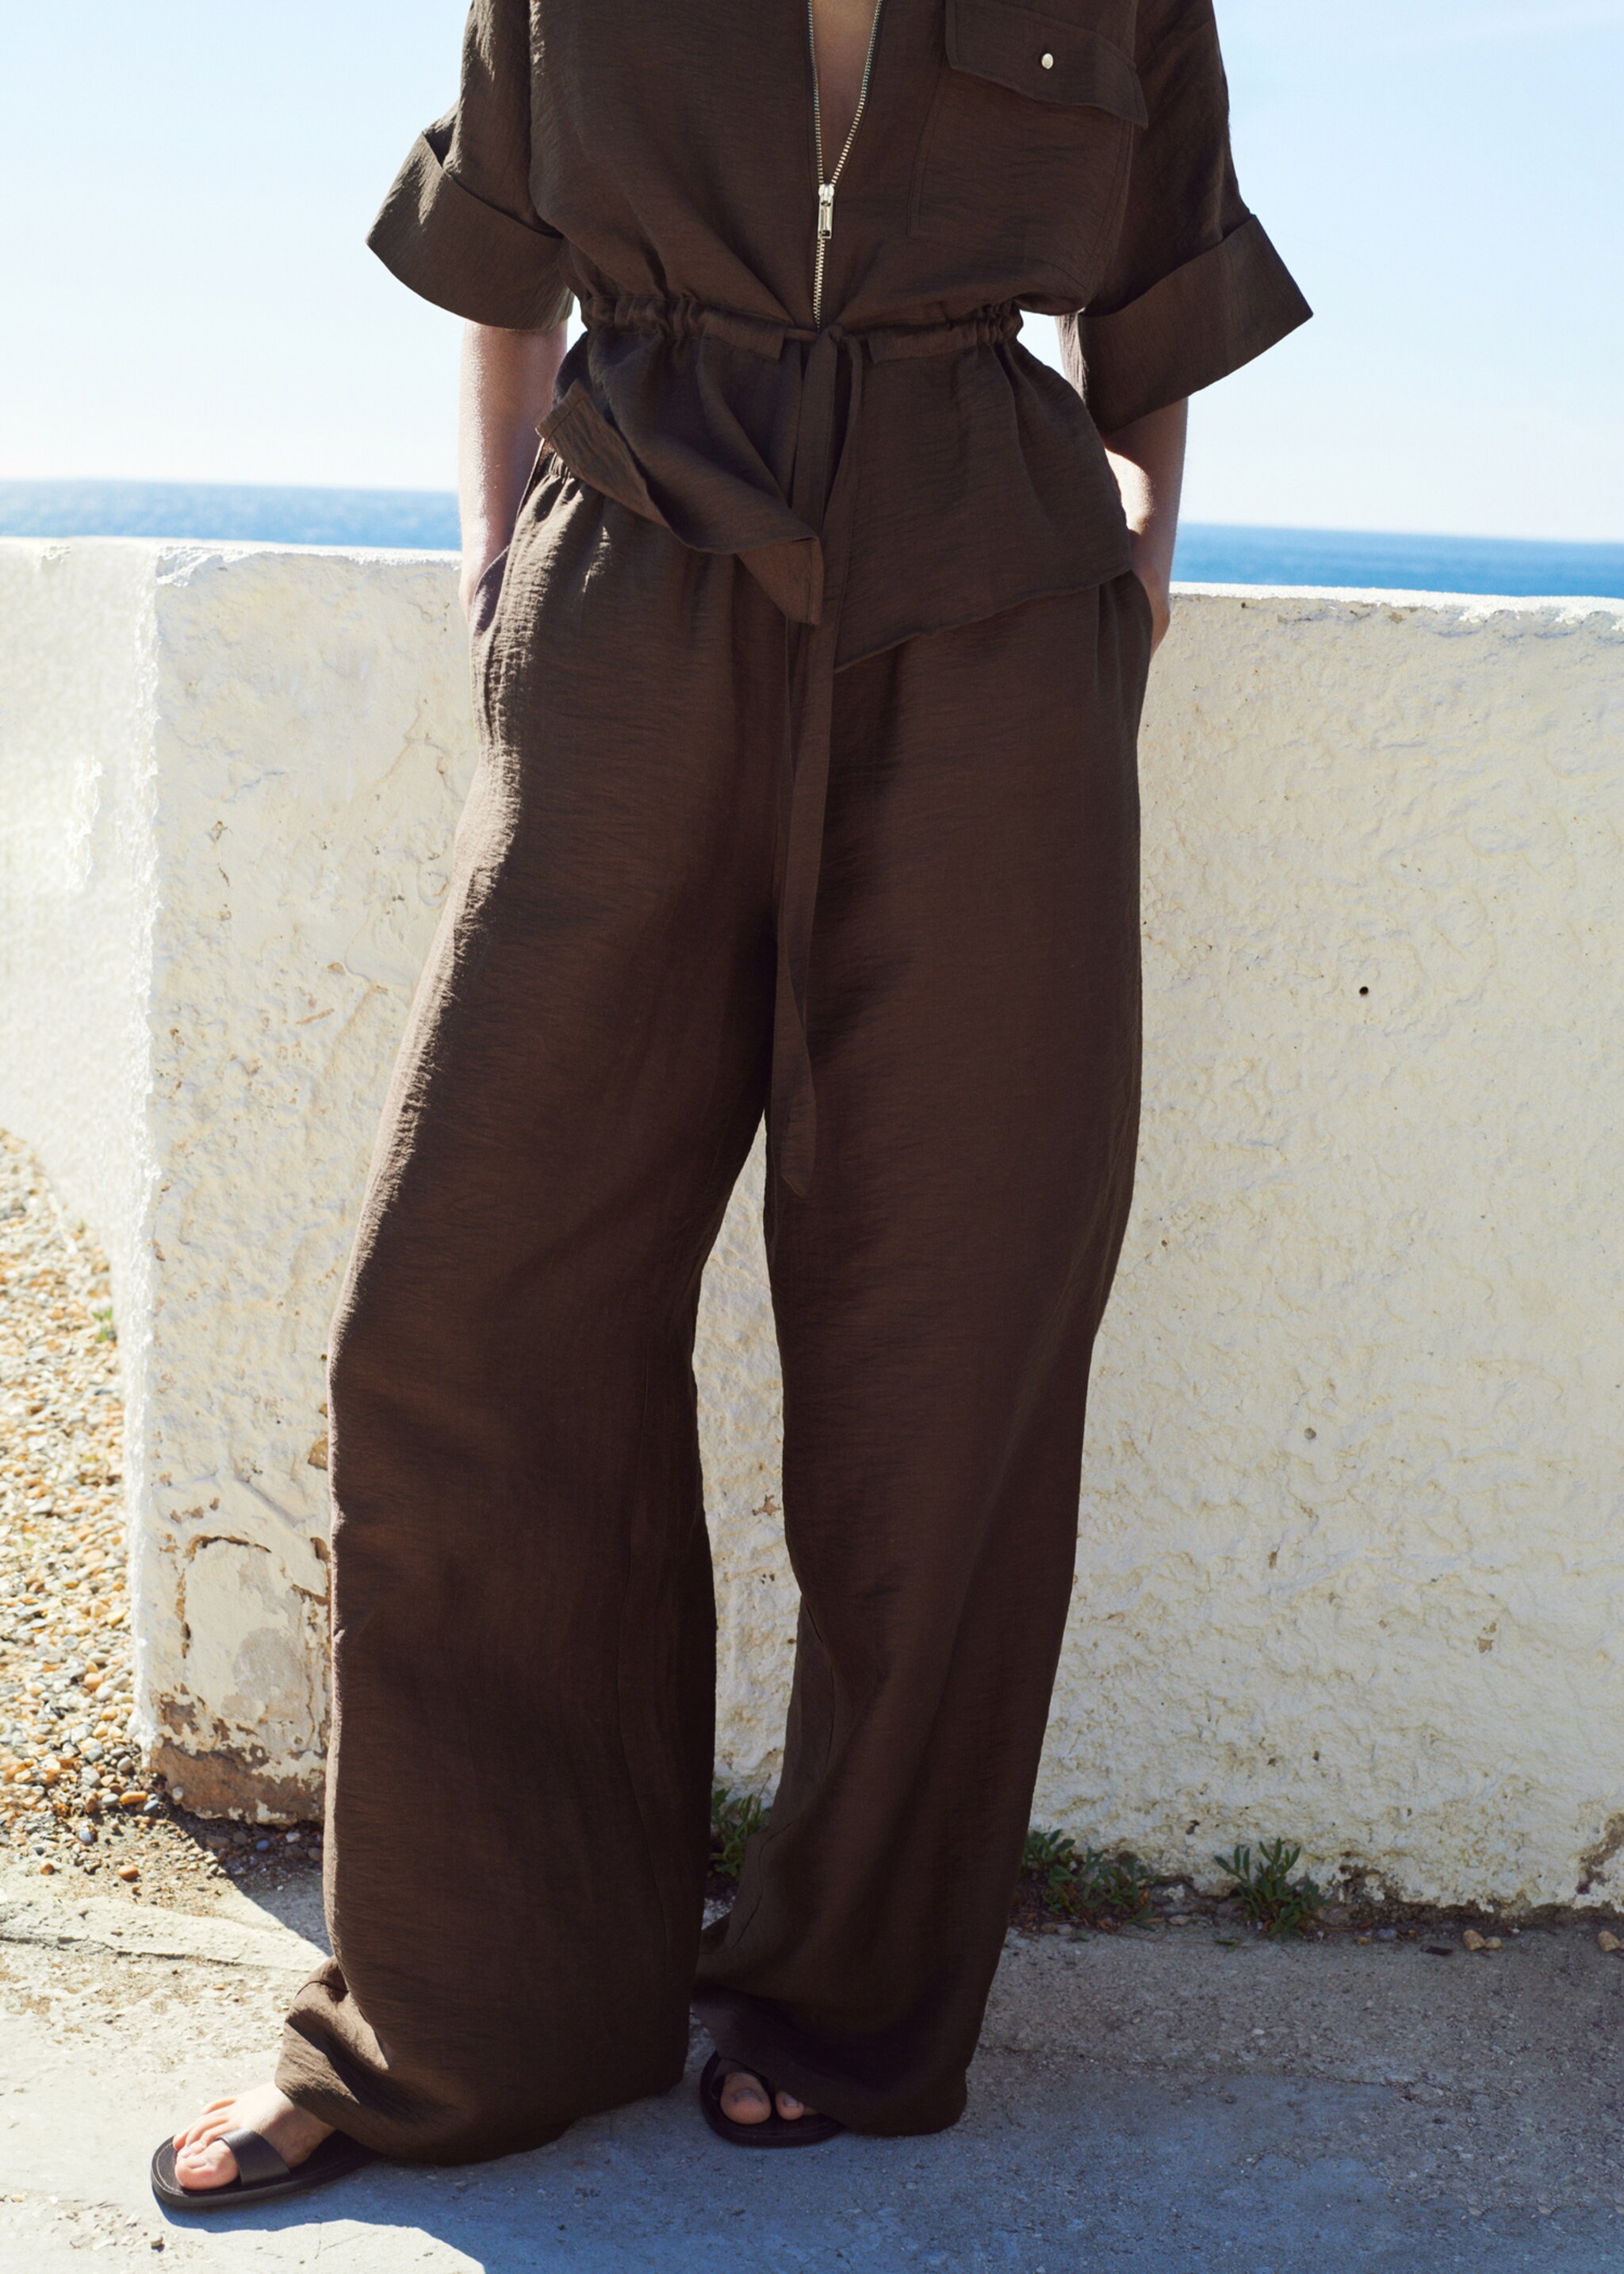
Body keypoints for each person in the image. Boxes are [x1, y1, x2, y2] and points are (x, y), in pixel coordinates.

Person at [155, 0, 1308, 2208]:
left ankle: (845, 1992)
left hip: (992, 641)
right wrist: (500, 572)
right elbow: (499, 256)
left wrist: (1140, 571)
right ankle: (466, 2010)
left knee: (947, 1337)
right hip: (636, 594)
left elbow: (1163, 280)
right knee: (469, 1312)